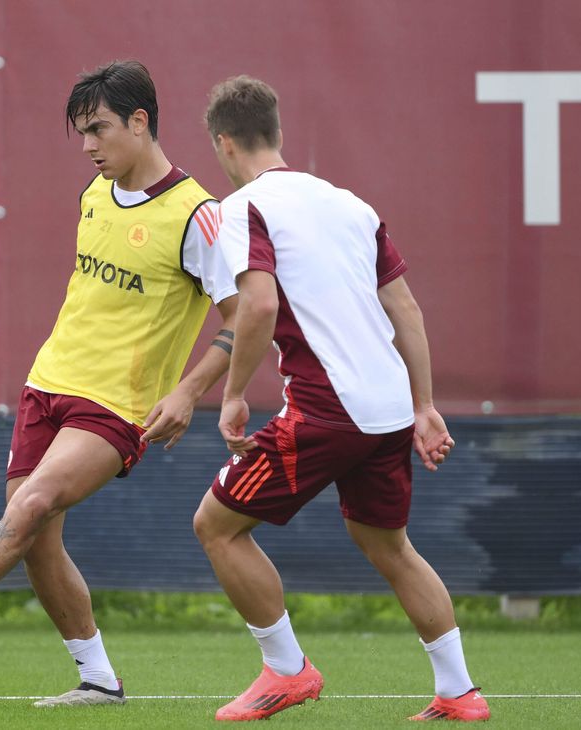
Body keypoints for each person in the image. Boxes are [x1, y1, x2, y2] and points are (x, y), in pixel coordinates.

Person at [0, 60, 240, 706]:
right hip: (47, 384)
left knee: (32, 505)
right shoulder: (94, 194)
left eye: (99, 129)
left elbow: (244, 322)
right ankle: (99, 680)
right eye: (82, 133)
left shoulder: (197, 216)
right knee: (37, 541)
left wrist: (189, 391)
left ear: (140, 121)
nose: (87, 146)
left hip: (116, 406)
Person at [193, 75, 490, 722]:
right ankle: (460, 691)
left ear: (223, 143)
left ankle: (287, 671)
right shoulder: (351, 204)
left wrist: (234, 395)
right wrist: (424, 406)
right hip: (388, 410)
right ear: (277, 133)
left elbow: (258, 305)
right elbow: (405, 309)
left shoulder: (242, 208)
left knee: (216, 526)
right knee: (387, 545)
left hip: (328, 410)